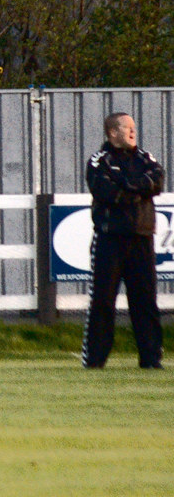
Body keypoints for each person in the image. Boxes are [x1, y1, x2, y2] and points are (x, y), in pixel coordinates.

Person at [83, 112, 164, 369]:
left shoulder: (146, 158)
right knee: (103, 301)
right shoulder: (99, 161)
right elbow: (106, 192)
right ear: (112, 133)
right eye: (126, 128)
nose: (132, 132)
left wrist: (127, 184)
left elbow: (157, 180)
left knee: (145, 301)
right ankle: (95, 361)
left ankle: (151, 360)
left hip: (142, 238)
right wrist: (138, 190)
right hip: (110, 239)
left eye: (133, 128)